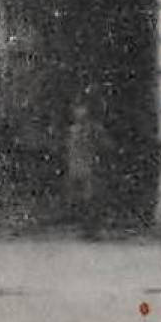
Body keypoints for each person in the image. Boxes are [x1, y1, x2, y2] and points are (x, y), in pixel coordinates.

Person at [64, 97, 105, 240]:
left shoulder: (94, 129)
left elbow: (102, 145)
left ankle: (92, 229)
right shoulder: (73, 131)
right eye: (77, 110)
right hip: (77, 167)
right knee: (80, 198)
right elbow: (70, 149)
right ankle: (85, 228)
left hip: (90, 167)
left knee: (90, 198)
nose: (80, 113)